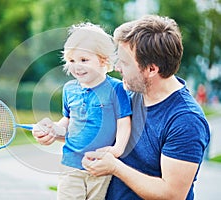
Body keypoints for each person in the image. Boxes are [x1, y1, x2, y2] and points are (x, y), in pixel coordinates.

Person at [81, 15, 210, 200]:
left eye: (125, 62)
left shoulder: (186, 120)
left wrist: (115, 168)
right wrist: (57, 132)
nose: (117, 67)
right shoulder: (128, 93)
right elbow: (97, 133)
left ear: (151, 69)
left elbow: (172, 195)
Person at [32, 22, 132, 199]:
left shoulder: (116, 89)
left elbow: (124, 123)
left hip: (100, 165)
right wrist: (54, 129)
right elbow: (67, 121)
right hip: (70, 164)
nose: (77, 66)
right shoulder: (69, 89)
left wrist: (117, 149)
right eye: (72, 61)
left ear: (103, 60)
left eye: (84, 60)